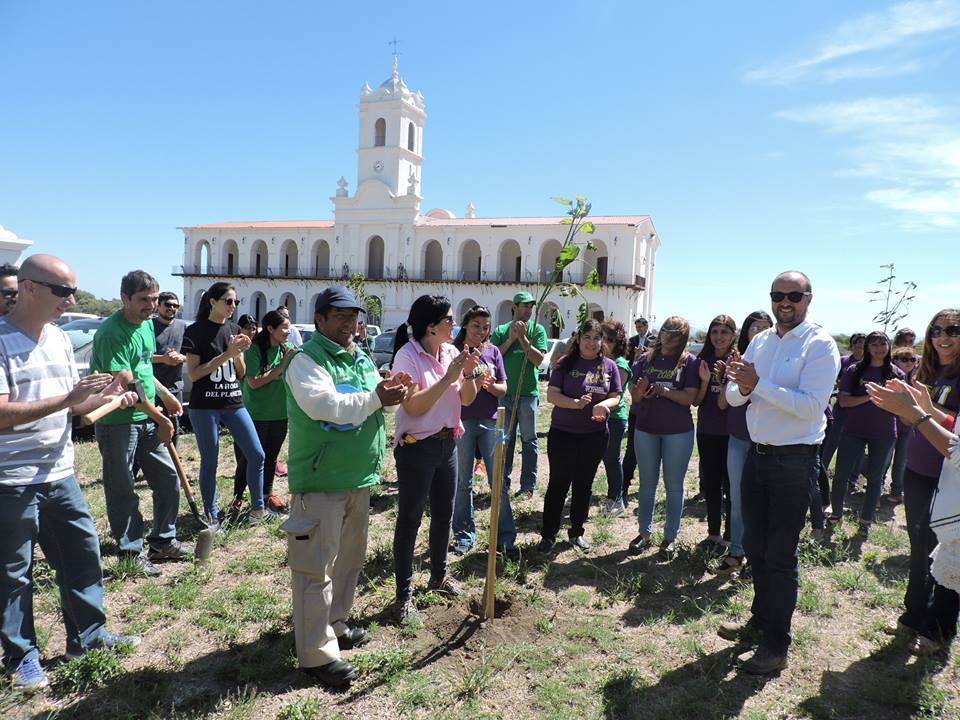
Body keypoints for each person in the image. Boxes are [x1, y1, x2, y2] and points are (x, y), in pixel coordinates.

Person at [0, 254, 140, 692]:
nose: (72, 299)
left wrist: (108, 395)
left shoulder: (60, 339)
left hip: (60, 473)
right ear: (29, 288)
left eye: (72, 290)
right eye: (62, 290)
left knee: (82, 556)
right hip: (11, 481)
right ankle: (22, 657)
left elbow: (75, 406)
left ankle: (90, 638)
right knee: (13, 575)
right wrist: (66, 401)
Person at [280, 285, 409, 689]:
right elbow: (326, 406)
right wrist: (377, 397)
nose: (350, 324)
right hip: (321, 480)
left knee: (348, 562)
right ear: (319, 320)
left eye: (353, 317)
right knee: (314, 569)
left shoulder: (360, 358)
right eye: (340, 317)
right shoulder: (306, 361)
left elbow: (378, 403)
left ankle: (335, 625)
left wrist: (393, 393)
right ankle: (316, 655)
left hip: (357, 477)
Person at [719, 271, 839, 675]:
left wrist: (758, 385)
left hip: (795, 461)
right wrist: (744, 387)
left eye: (793, 295)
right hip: (758, 455)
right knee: (755, 547)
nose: (784, 302)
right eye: (777, 295)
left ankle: (776, 645)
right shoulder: (761, 340)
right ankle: (759, 621)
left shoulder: (820, 345)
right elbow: (736, 395)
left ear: (809, 298)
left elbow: (810, 407)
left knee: (780, 555)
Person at [390, 295, 482, 623]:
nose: (453, 325)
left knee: (443, 515)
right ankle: (404, 596)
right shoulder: (407, 356)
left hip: (448, 444)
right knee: (410, 519)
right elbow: (412, 407)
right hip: (417, 447)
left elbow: (467, 400)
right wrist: (449, 377)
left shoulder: (451, 352)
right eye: (448, 320)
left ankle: (439, 577)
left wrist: (470, 374)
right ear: (431, 326)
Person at [91, 271, 187, 576]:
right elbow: (129, 386)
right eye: (144, 299)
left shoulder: (146, 325)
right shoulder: (111, 333)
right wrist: (161, 418)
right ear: (125, 298)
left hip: (146, 416)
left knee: (168, 480)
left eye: (155, 299)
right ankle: (130, 552)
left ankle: (163, 540)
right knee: (123, 489)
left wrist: (166, 397)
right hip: (118, 421)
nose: (151, 305)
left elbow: (143, 369)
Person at [892, 309, 960, 655]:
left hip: (950, 477)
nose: (943, 336)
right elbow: (912, 421)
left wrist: (925, 410)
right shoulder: (927, 370)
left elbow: (954, 428)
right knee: (919, 546)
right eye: (936, 330)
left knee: (949, 550)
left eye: (953, 330)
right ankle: (914, 613)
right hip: (917, 470)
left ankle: (939, 628)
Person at [183, 281, 267, 526]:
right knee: (211, 460)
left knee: (257, 454)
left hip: (233, 401)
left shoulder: (232, 329)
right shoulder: (195, 331)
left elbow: (240, 373)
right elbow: (194, 374)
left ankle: (257, 510)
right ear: (212, 302)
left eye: (236, 302)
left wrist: (240, 353)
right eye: (228, 301)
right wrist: (226, 355)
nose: (233, 306)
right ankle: (211, 515)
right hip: (204, 405)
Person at [538, 320, 622, 553]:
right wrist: (576, 404)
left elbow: (616, 395)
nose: (592, 343)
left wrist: (604, 405)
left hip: (594, 436)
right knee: (558, 484)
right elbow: (552, 396)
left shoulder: (608, 366)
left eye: (597, 338)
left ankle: (576, 532)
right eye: (587, 337)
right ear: (578, 339)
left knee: (584, 485)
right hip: (563, 434)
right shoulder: (566, 363)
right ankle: (548, 535)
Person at [628, 315, 701, 560]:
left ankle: (670, 537)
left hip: (678, 432)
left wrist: (664, 391)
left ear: (683, 337)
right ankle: (644, 533)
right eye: (666, 330)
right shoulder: (644, 359)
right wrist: (641, 392)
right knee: (647, 484)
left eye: (675, 332)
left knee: (673, 486)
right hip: (646, 428)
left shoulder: (689, 362)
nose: (668, 335)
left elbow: (689, 398)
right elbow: (635, 398)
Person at [451, 305, 516, 558]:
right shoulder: (454, 352)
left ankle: (505, 538)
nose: (481, 331)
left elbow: (504, 389)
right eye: (476, 325)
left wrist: (490, 387)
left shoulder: (493, 352)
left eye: (486, 327)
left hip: (491, 421)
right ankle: (464, 536)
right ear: (466, 325)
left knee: (497, 480)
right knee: (463, 481)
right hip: (462, 421)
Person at [715, 311, 773, 577]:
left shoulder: (777, 362)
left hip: (770, 442)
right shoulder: (737, 360)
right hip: (739, 438)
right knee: (737, 498)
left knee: (765, 502)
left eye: (765, 327)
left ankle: (758, 557)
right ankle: (737, 551)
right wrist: (730, 379)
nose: (759, 332)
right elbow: (723, 402)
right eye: (754, 328)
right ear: (746, 332)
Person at [828, 331, 903, 534]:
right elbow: (843, 401)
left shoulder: (896, 374)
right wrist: (870, 397)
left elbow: (902, 406)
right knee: (841, 474)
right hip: (853, 430)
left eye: (883, 343)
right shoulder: (855, 371)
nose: (879, 348)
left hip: (884, 433)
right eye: (874, 344)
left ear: (889, 346)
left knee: (875, 478)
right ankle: (835, 515)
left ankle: (865, 522)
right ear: (868, 348)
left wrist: (885, 398)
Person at [232, 310, 293, 514]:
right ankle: (237, 497)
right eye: (284, 327)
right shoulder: (254, 350)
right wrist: (281, 367)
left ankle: (267, 495)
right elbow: (254, 383)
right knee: (249, 457)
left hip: (280, 412)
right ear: (270, 329)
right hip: (256, 413)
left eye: (288, 326)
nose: (288, 331)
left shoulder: (287, 349)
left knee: (271, 456)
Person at [491, 291, 547, 499]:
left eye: (531, 306)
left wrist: (522, 339)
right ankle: (501, 482)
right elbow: (494, 357)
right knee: (504, 439)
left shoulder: (537, 330)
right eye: (524, 306)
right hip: (505, 393)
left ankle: (527, 486)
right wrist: (511, 338)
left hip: (527, 394)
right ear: (514, 307)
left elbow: (538, 360)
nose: (528, 310)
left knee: (529, 439)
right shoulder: (500, 330)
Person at [694, 315, 738, 549]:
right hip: (707, 430)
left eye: (724, 332)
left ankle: (731, 535)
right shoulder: (702, 360)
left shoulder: (739, 360)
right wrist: (704, 381)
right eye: (715, 332)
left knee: (732, 487)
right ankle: (713, 534)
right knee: (711, 484)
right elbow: (696, 401)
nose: (719, 337)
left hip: (733, 433)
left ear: (733, 335)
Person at [600, 320, 631, 517]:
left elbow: (610, 392)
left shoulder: (620, 364)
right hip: (598, 415)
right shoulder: (599, 360)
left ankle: (617, 499)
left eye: (609, 339)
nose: (604, 342)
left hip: (614, 417)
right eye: (601, 337)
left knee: (611, 459)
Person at [884, 345, 920, 504]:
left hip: (908, 426)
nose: (909, 363)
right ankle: (876, 489)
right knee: (884, 460)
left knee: (901, 461)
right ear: (895, 360)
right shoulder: (889, 378)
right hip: (889, 425)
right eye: (904, 359)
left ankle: (897, 491)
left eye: (912, 359)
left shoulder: (917, 381)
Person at [152, 290, 187, 444]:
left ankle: (172, 464)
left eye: (176, 305)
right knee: (151, 430)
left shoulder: (182, 326)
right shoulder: (148, 326)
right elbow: (140, 359)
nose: (172, 308)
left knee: (173, 429)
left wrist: (181, 357)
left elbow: (191, 355)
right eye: (168, 304)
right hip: (152, 389)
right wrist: (163, 359)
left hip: (175, 388)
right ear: (158, 306)